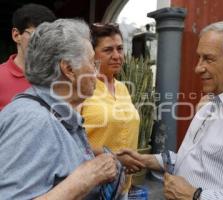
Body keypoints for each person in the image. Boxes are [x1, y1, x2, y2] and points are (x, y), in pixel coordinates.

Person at [118, 20, 223, 200]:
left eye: (208, 59)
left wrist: (195, 196)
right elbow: (202, 162)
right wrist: (148, 160)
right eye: (199, 58)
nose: (198, 68)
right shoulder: (212, 103)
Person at [0, 18, 143, 199]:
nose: (95, 71)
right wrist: (88, 177)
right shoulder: (34, 121)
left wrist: (101, 158)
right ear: (68, 69)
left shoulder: (56, 113)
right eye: (92, 62)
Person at [80, 23, 140, 199]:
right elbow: (69, 141)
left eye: (120, 49)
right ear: (91, 54)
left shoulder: (123, 88)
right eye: (108, 50)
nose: (116, 56)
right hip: (91, 187)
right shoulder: (81, 88)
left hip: (121, 187)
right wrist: (115, 159)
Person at [0, 3, 56, 111]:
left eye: (48, 36)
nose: (43, 42)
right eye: (36, 35)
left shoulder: (59, 75)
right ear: (16, 35)